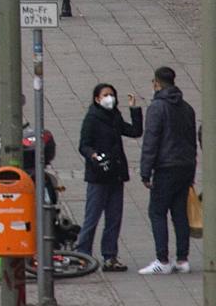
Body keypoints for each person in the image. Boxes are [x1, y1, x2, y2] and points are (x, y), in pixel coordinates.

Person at [78, 81, 144, 271]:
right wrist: (94, 156)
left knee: (114, 218)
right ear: (97, 98)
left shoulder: (114, 116)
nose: (110, 98)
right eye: (106, 95)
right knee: (92, 217)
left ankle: (110, 256)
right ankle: (83, 254)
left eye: (112, 94)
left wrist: (134, 109)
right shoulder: (92, 118)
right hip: (99, 176)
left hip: (116, 174)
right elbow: (84, 145)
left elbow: (134, 131)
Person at [139, 65, 198, 275]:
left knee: (157, 211)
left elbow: (151, 141)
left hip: (165, 167)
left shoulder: (157, 108)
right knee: (180, 214)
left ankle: (162, 260)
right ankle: (182, 259)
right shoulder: (187, 108)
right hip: (185, 167)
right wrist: (192, 171)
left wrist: (145, 172)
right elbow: (192, 141)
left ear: (156, 83)